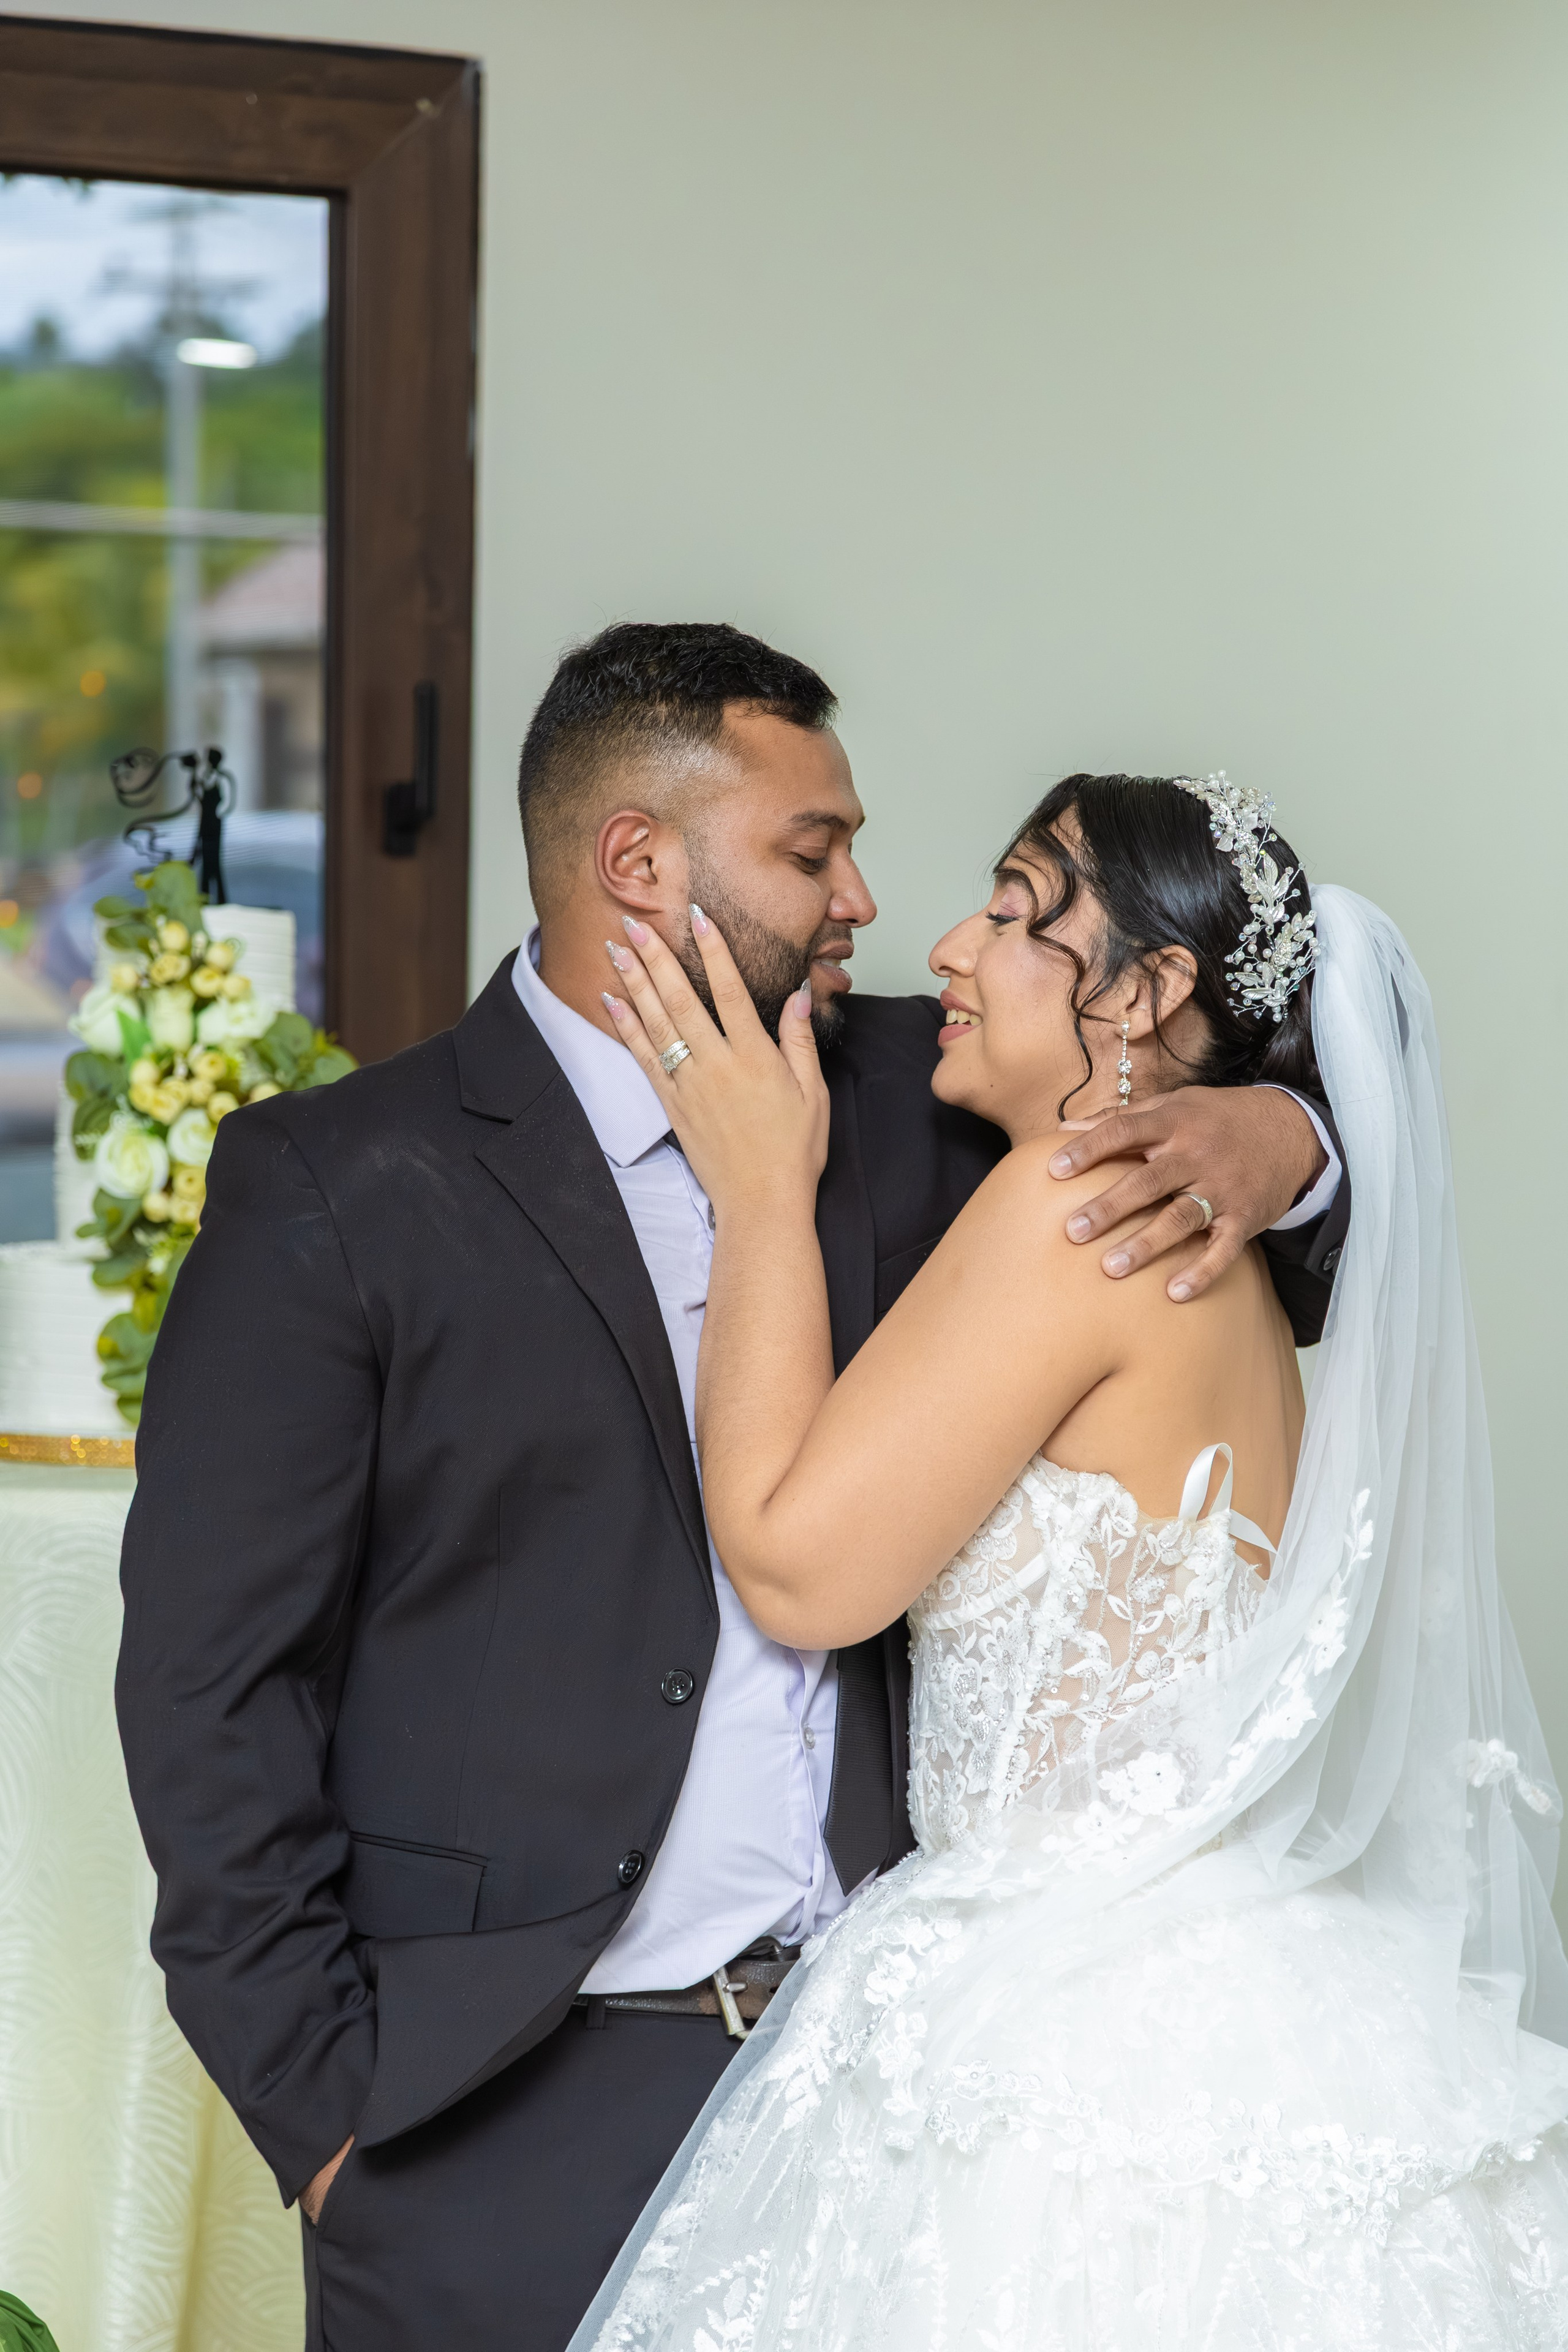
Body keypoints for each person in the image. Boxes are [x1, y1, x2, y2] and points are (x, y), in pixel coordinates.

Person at [115, 630, 1341, 2351]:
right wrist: (328, 2121)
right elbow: (207, 1688)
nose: (862, 900)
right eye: (811, 849)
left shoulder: (925, 1108)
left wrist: (1281, 1138)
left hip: (895, 2093)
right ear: (641, 863)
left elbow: (1232, 1031)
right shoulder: (342, 1186)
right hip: (501, 2111)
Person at [570, 768, 1568, 2350]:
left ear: (1156, 992)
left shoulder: (1081, 1201)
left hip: (1065, 2025)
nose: (950, 947)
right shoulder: (1214, 1248)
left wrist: (765, 1187)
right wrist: (1294, 1121)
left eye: (1018, 913)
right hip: (1247, 1986)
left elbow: (800, 1570)